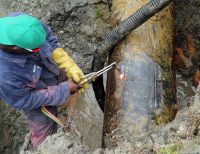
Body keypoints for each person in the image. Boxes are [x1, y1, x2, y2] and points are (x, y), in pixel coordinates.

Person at [0, 12, 88, 149]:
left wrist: (66, 63)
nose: (39, 49)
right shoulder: (4, 76)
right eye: (34, 48)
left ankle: (66, 104)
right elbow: (24, 100)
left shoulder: (24, 24)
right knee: (43, 137)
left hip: (49, 69)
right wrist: (64, 90)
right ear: (15, 48)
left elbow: (47, 34)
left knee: (67, 86)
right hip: (35, 101)